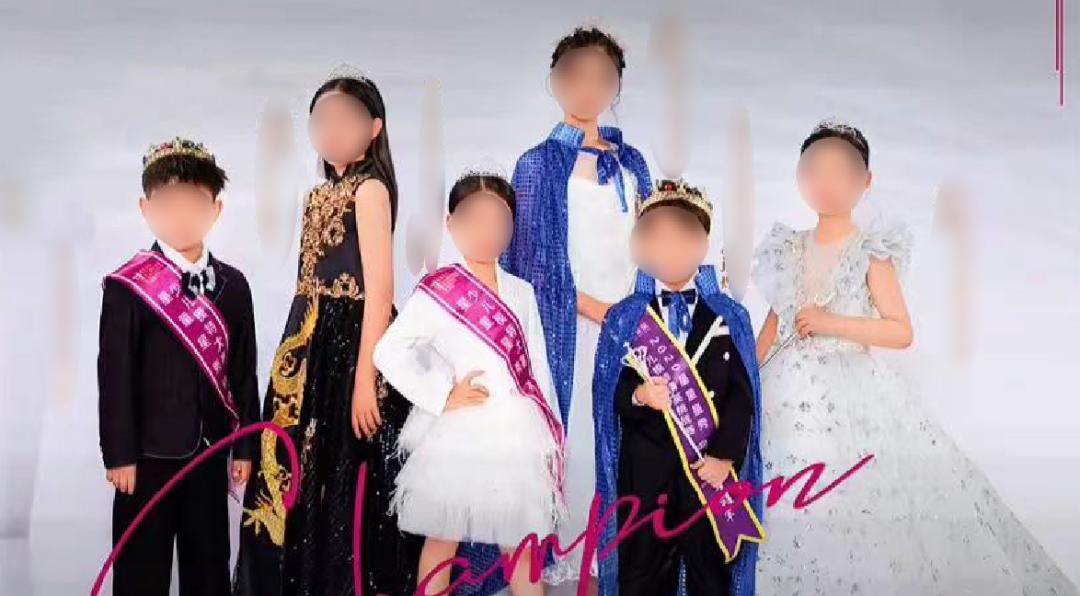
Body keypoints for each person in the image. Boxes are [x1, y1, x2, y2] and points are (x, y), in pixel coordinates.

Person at [753, 120, 1079, 595]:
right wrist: (746, 379)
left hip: (851, 389)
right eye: (814, 169)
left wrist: (832, 322)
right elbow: (773, 325)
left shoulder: (871, 252)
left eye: (840, 171)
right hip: (784, 388)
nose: (826, 181)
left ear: (866, 181)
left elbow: (900, 330)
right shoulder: (787, 248)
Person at [233, 71, 421, 596]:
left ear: (374, 128)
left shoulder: (371, 189)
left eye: (345, 119)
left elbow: (380, 291)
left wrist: (366, 380)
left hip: (352, 347)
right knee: (292, 466)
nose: (331, 129)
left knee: (342, 475)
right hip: (307, 344)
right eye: (321, 119)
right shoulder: (318, 194)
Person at [500, 26, 652, 591]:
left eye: (601, 77)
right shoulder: (536, 165)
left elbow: (653, 245)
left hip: (633, 333)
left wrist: (638, 316)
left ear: (616, 86)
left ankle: (612, 574)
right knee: (577, 455)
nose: (588, 87)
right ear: (554, 81)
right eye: (575, 75)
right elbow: (529, 266)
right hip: (568, 337)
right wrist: (595, 310)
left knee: (627, 456)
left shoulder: (634, 163)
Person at [374, 172, 565, 596]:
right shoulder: (439, 290)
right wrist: (442, 393)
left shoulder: (521, 292)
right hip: (459, 431)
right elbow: (388, 351)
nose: (487, 231)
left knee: (520, 545)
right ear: (452, 224)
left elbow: (537, 366)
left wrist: (548, 430)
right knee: (443, 540)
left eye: (499, 221)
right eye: (476, 219)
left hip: (515, 430)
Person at [98, 137, 259, 596]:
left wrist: (245, 446)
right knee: (141, 571)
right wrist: (119, 454)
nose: (181, 214)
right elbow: (114, 375)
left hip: (209, 452)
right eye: (168, 203)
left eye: (193, 202)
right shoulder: (129, 286)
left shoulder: (233, 285)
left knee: (208, 567)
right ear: (145, 209)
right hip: (146, 458)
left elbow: (243, 370)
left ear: (216, 210)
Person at [593, 179, 764, 596]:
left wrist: (724, 455)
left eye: (682, 239)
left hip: (709, 471)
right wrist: (639, 396)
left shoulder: (729, 316)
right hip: (645, 471)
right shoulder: (625, 317)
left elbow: (743, 397)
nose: (669, 251)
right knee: (642, 571)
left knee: (711, 570)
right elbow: (608, 392)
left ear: (703, 244)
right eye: (656, 239)